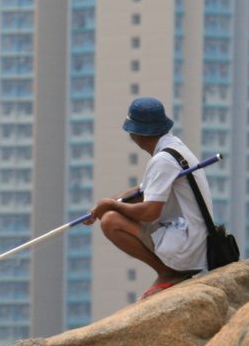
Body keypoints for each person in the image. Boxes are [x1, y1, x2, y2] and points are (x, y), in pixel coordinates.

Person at [83, 97, 216, 298]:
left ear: (136, 132)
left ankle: (168, 272)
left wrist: (111, 207)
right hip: (194, 240)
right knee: (110, 212)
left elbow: (149, 211)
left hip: (187, 246)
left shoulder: (162, 160)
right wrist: (103, 205)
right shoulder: (174, 148)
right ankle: (170, 269)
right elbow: (142, 192)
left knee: (111, 221)